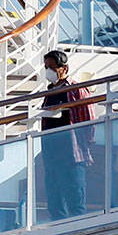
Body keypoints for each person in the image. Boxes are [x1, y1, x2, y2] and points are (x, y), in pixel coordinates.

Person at [40, 49, 95, 220]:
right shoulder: (49, 92)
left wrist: (83, 144)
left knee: (74, 199)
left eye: (52, 67)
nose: (49, 71)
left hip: (71, 154)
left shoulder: (75, 89)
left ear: (64, 68)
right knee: (54, 201)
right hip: (51, 153)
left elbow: (88, 119)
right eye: (46, 67)